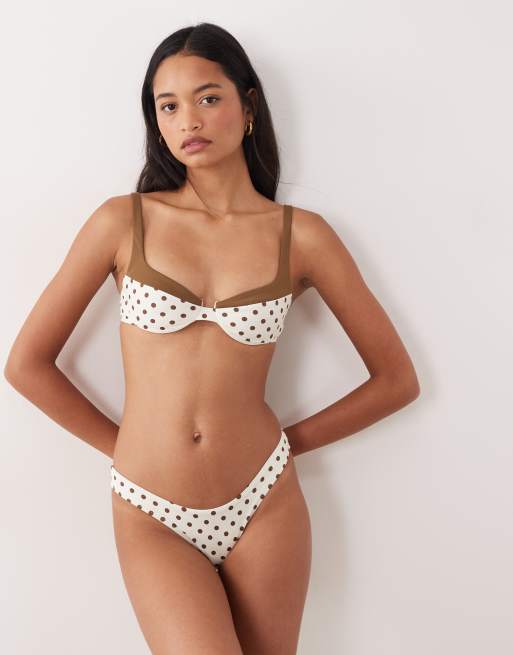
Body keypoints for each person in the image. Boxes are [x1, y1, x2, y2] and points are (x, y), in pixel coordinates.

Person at [4, 22, 420, 655]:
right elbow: (27, 364)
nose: (188, 120)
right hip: (151, 506)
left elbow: (396, 381)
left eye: (207, 97)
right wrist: (126, 450)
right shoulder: (123, 222)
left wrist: (286, 447)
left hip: (264, 501)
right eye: (167, 106)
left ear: (248, 106)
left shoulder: (302, 236)